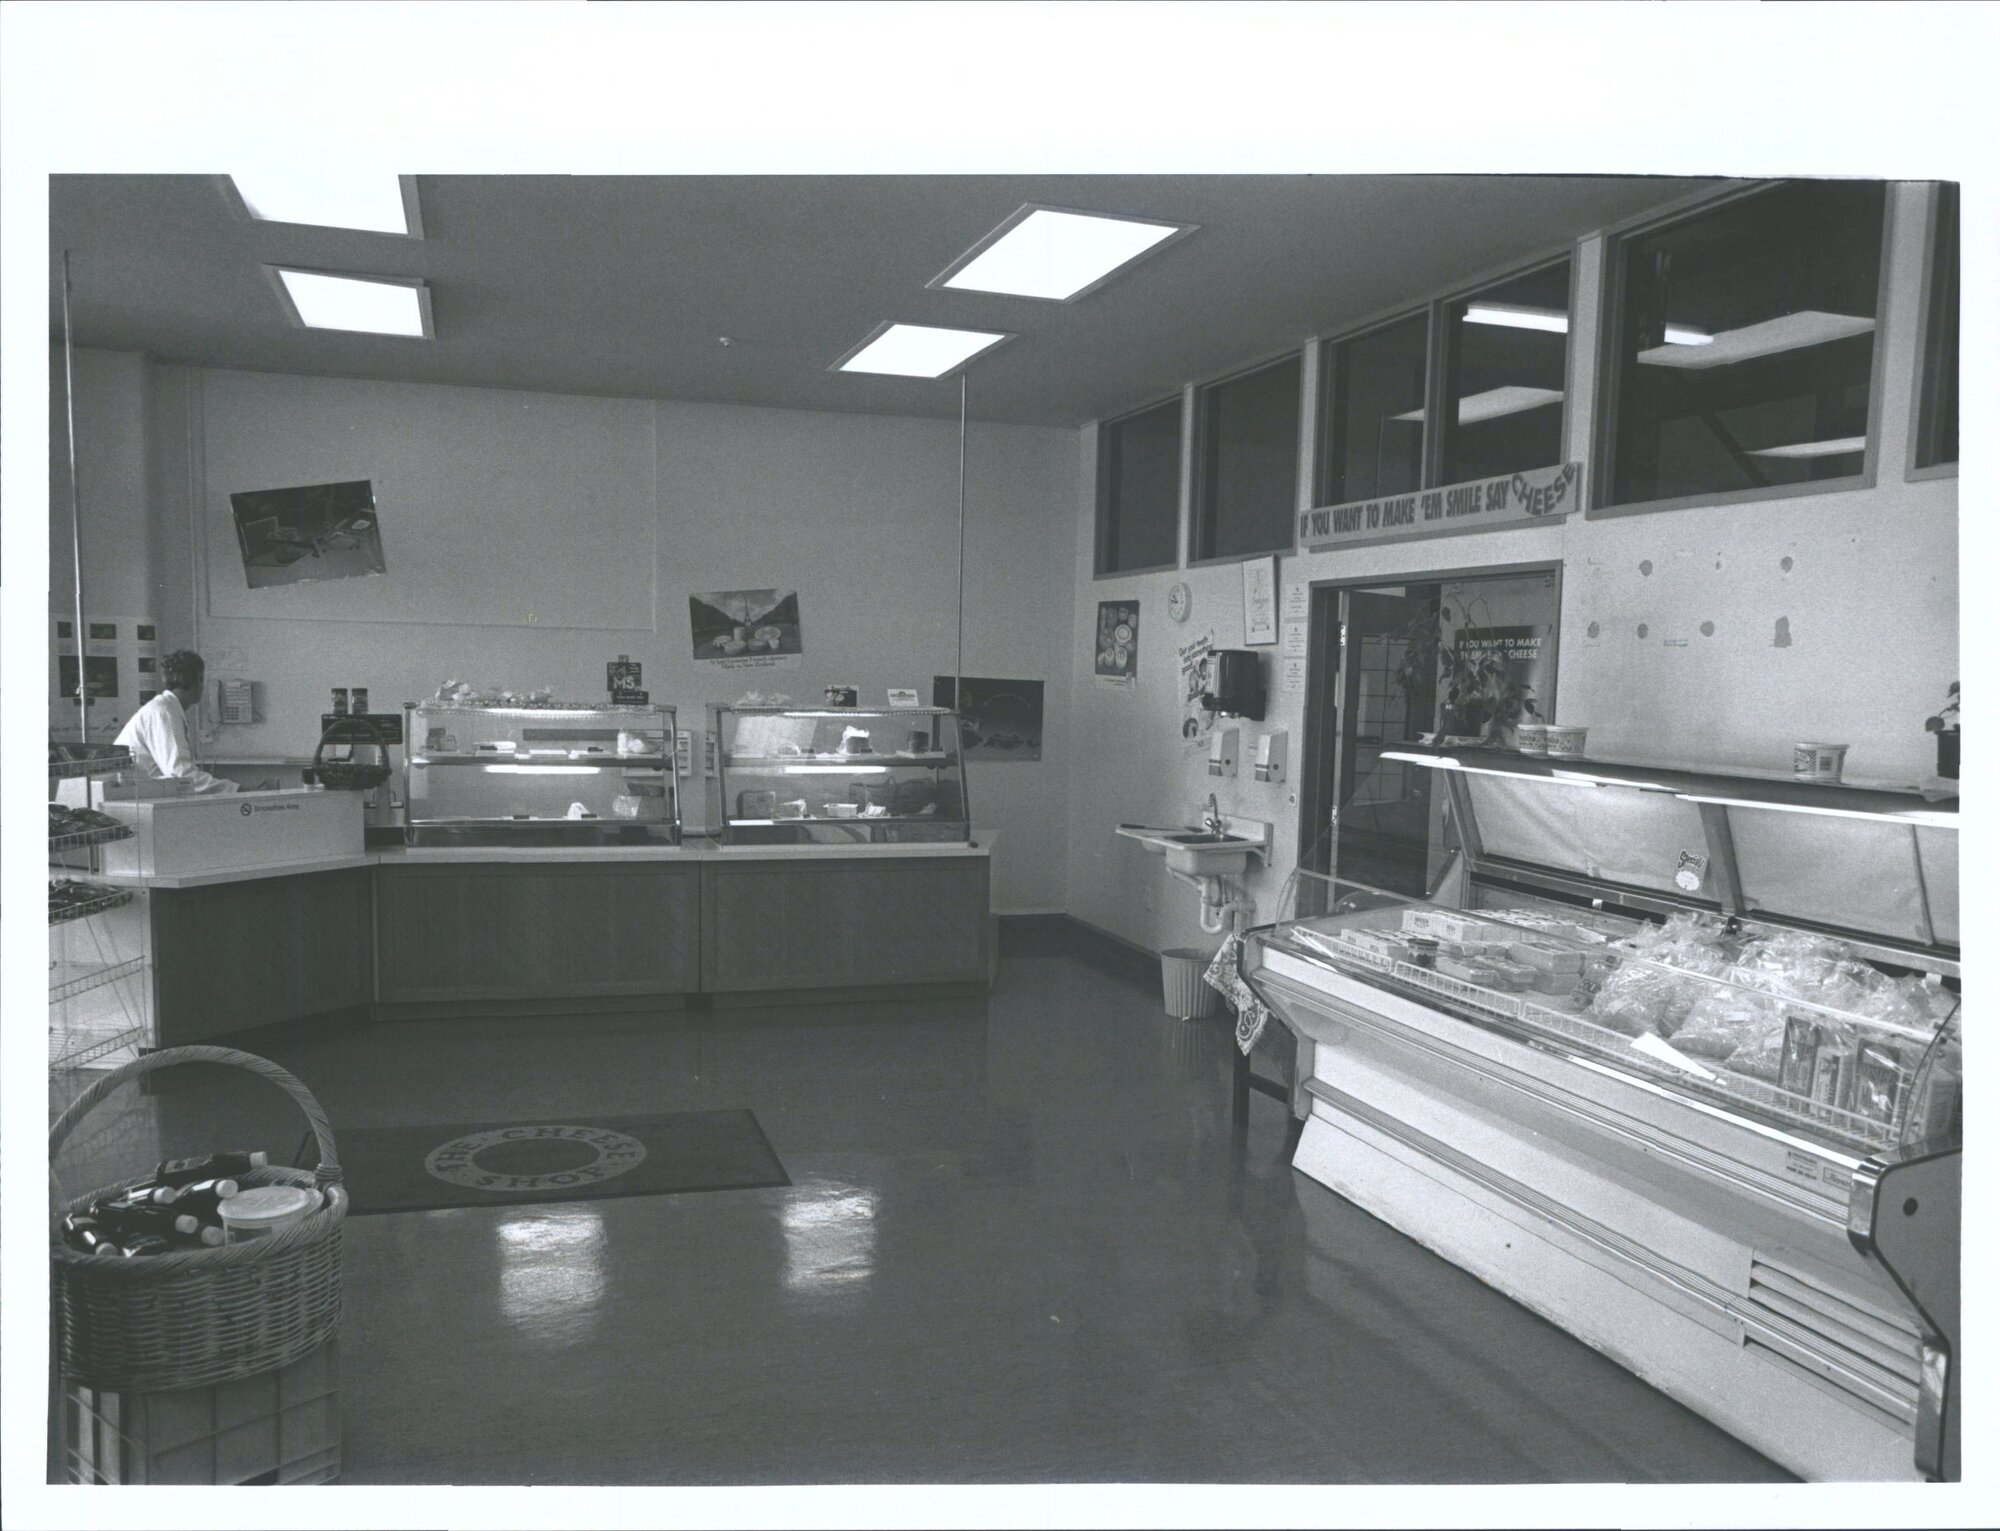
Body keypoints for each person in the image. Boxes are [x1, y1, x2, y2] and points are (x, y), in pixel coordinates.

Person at [113, 650, 238, 794]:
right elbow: (181, 775)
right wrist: (236, 790)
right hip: (131, 797)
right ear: (199, 679)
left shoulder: (165, 708)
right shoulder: (164, 712)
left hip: (138, 794)